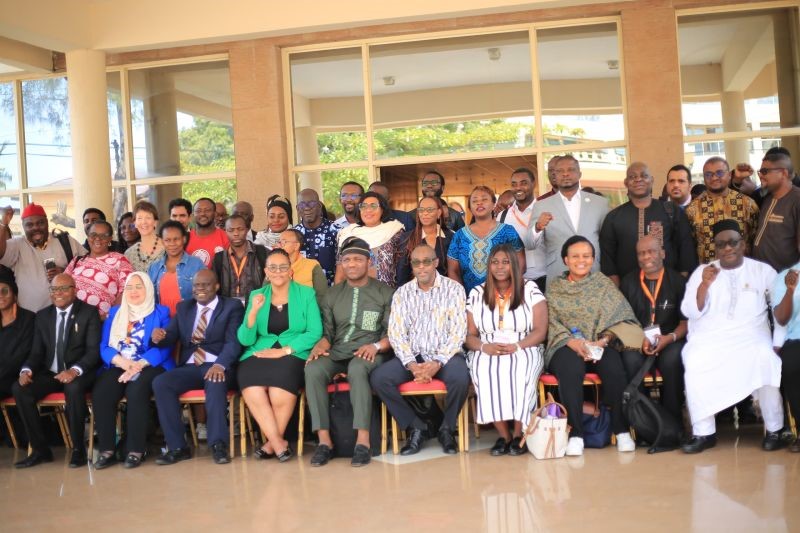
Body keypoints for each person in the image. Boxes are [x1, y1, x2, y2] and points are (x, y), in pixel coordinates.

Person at [681, 220, 786, 453]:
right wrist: (704, 285)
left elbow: (779, 311)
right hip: (711, 336)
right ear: (715, 248)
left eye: (732, 242)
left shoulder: (763, 271)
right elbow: (690, 312)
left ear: (743, 244)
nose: (727, 248)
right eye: (721, 244)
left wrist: (777, 343)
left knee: (766, 358)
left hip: (752, 335)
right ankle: (704, 433)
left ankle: (775, 429)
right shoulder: (703, 271)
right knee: (696, 359)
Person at [545, 236, 640, 457]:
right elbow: (550, 322)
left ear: (593, 258)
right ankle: (576, 434)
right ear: (565, 260)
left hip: (599, 343)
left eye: (586, 256)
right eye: (575, 256)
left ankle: (621, 430)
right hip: (566, 345)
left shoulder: (603, 284)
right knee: (571, 370)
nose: (581, 260)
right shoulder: (555, 288)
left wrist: (602, 341)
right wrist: (573, 342)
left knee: (614, 367)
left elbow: (621, 317)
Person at [371, 243, 469, 455]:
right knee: (380, 378)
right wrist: (411, 364)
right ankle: (416, 427)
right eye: (416, 263)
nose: (421, 267)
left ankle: (446, 428)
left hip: (446, 356)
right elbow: (396, 333)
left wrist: (438, 362)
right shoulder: (403, 293)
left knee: (461, 377)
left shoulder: (454, 289)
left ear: (436, 263)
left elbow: (458, 332)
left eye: (426, 262)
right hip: (413, 356)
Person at [305, 237, 394, 467]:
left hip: (372, 352)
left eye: (357, 259)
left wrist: (376, 346)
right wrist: (320, 346)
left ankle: (362, 442)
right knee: (313, 369)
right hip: (338, 352)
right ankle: (324, 442)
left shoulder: (385, 293)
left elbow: (392, 334)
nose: (351, 264)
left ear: (368, 261)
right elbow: (328, 333)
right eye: (346, 260)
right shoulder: (332, 294)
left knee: (357, 368)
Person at [237, 249, 323, 462]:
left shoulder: (306, 294)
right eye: (273, 267)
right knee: (252, 388)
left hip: (293, 352)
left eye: (283, 267)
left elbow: (315, 331)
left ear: (290, 271)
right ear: (266, 271)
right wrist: (253, 312)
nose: (278, 272)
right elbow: (245, 340)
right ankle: (278, 443)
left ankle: (271, 444)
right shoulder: (257, 295)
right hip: (259, 352)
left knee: (278, 391)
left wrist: (284, 351)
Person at [151, 270, 244, 465]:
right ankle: (177, 447)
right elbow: (170, 335)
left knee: (215, 380)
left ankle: (218, 445)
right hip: (191, 365)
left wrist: (220, 365)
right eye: (196, 285)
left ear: (216, 286)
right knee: (161, 383)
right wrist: (160, 337)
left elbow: (233, 342)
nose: (200, 289)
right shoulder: (184, 307)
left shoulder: (231, 306)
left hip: (219, 364)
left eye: (205, 284)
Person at [465, 244, 548, 456]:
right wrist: (484, 347)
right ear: (489, 266)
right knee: (484, 371)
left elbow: (541, 330)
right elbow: (468, 335)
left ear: (514, 265)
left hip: (524, 345)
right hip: (487, 347)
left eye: (505, 262)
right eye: (495, 262)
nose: (500, 267)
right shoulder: (477, 292)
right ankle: (504, 436)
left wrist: (517, 346)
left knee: (520, 370)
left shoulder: (530, 289)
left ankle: (519, 434)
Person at [12, 273, 101, 468]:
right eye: (54, 289)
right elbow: (36, 352)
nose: (57, 293)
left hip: (81, 372)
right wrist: (26, 370)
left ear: (74, 290)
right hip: (52, 373)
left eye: (63, 288)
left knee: (73, 388)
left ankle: (78, 449)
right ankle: (40, 450)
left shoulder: (88, 313)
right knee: (20, 389)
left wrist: (74, 371)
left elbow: (93, 352)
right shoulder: (43, 315)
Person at [92, 274, 173, 469]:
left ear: (148, 289)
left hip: (151, 365)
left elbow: (165, 346)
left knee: (136, 390)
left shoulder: (161, 312)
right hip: (120, 362)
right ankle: (107, 450)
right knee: (102, 391)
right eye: (129, 287)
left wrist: (139, 365)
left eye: (139, 287)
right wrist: (122, 362)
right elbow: (105, 345)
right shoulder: (115, 312)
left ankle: (136, 449)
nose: (133, 291)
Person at [618, 235, 687, 424]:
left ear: (663, 253)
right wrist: (639, 339)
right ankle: (642, 423)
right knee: (630, 359)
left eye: (651, 251)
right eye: (641, 253)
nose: (646, 257)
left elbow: (686, 322)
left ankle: (673, 423)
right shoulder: (628, 282)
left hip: (670, 339)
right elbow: (623, 321)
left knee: (672, 360)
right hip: (638, 340)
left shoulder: (678, 282)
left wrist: (670, 338)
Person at [600, 162, 697, 285]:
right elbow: (608, 260)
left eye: (644, 176)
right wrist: (617, 291)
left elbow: (685, 250)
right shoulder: (613, 218)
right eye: (632, 177)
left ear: (651, 180)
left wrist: (678, 285)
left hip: (668, 288)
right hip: (627, 290)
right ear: (626, 183)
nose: (638, 179)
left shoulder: (671, 211)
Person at [530, 155, 610, 286]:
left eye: (571, 169)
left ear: (579, 174)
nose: (565, 174)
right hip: (558, 274)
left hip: (593, 273)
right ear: (555, 176)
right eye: (560, 171)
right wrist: (537, 228)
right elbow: (529, 244)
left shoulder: (600, 204)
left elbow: (608, 242)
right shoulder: (541, 205)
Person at [0, 203, 86, 311]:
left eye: (40, 223)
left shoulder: (65, 241)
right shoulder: (17, 244)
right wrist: (3, 223)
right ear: (23, 226)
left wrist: (66, 272)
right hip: (31, 315)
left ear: (47, 222)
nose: (35, 227)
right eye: (29, 225)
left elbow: (88, 267)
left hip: (65, 313)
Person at [447, 186, 525, 294]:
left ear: (494, 204)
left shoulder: (508, 231)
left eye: (484, 199)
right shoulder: (459, 236)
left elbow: (521, 264)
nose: (479, 203)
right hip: (469, 298)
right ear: (469, 207)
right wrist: (462, 296)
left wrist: (507, 292)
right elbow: (453, 271)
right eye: (475, 201)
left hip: (504, 296)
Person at [685, 156, 759, 265]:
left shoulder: (748, 204)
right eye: (708, 174)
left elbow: (755, 239)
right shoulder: (692, 209)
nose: (714, 178)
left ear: (729, 175)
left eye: (719, 173)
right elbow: (689, 246)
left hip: (743, 270)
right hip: (708, 271)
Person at [65, 220, 133, 320]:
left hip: (103, 322)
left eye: (103, 236)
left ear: (110, 239)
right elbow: (63, 286)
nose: (97, 238)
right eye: (93, 235)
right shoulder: (77, 260)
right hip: (73, 320)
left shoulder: (120, 260)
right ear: (88, 237)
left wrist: (108, 317)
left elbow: (127, 291)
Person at [335, 191, 405, 288]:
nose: (368, 210)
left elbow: (403, 269)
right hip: (353, 293)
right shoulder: (347, 233)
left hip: (386, 293)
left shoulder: (394, 231)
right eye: (363, 206)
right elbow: (340, 275)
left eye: (373, 206)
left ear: (382, 209)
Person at [497, 167, 548, 290]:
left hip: (545, 279)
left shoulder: (545, 211)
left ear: (533, 184)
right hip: (515, 281)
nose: (518, 188)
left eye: (523, 183)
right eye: (514, 184)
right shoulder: (503, 216)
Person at [752, 151, 800, 272]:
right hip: (762, 275)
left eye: (765, 171)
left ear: (783, 173)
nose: (760, 175)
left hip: (785, 277)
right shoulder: (767, 198)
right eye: (760, 172)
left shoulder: (797, 200)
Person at [148, 221, 206, 316]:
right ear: (162, 241)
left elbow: (205, 294)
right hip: (163, 321)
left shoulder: (196, 264)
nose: (172, 244)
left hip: (190, 319)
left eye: (176, 239)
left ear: (184, 239)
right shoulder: (154, 267)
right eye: (167, 240)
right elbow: (149, 299)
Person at [773, 260, 800, 452]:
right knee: (791, 364)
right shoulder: (785, 276)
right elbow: (781, 318)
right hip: (796, 338)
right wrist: (790, 290)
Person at [212, 214, 267, 306]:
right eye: (231, 230)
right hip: (228, 308)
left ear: (247, 229)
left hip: (258, 306)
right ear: (225, 231)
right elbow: (215, 287)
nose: (236, 234)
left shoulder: (262, 253)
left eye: (240, 229)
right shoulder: (219, 258)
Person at [397, 196, 453, 285]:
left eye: (430, 210)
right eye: (421, 210)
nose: (425, 213)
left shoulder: (451, 237)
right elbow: (402, 274)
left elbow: (455, 271)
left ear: (439, 213)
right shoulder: (407, 238)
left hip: (445, 290)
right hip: (416, 290)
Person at [0, 270, 35, 398]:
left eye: (5, 291)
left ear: (15, 295)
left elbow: (21, 356)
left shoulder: (29, 319)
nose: (0, 295)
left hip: (17, 377)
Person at [294, 188, 339, 285]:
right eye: (302, 204)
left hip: (330, 290)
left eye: (311, 203)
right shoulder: (293, 234)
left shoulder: (336, 231)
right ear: (297, 209)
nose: (307, 208)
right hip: (301, 290)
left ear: (319, 206)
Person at [274, 229, 327, 300]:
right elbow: (265, 293)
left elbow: (322, 295)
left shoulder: (312, 265)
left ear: (296, 246)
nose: (279, 245)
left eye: (284, 242)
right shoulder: (273, 267)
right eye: (279, 242)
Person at [186, 197, 230, 267]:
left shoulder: (226, 237)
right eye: (198, 211)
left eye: (207, 210)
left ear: (214, 214)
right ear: (193, 215)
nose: (203, 214)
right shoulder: (185, 238)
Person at [124, 200, 165, 273]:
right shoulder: (129, 254)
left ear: (155, 222)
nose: (144, 222)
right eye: (139, 218)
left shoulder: (168, 247)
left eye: (148, 218)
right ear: (135, 223)